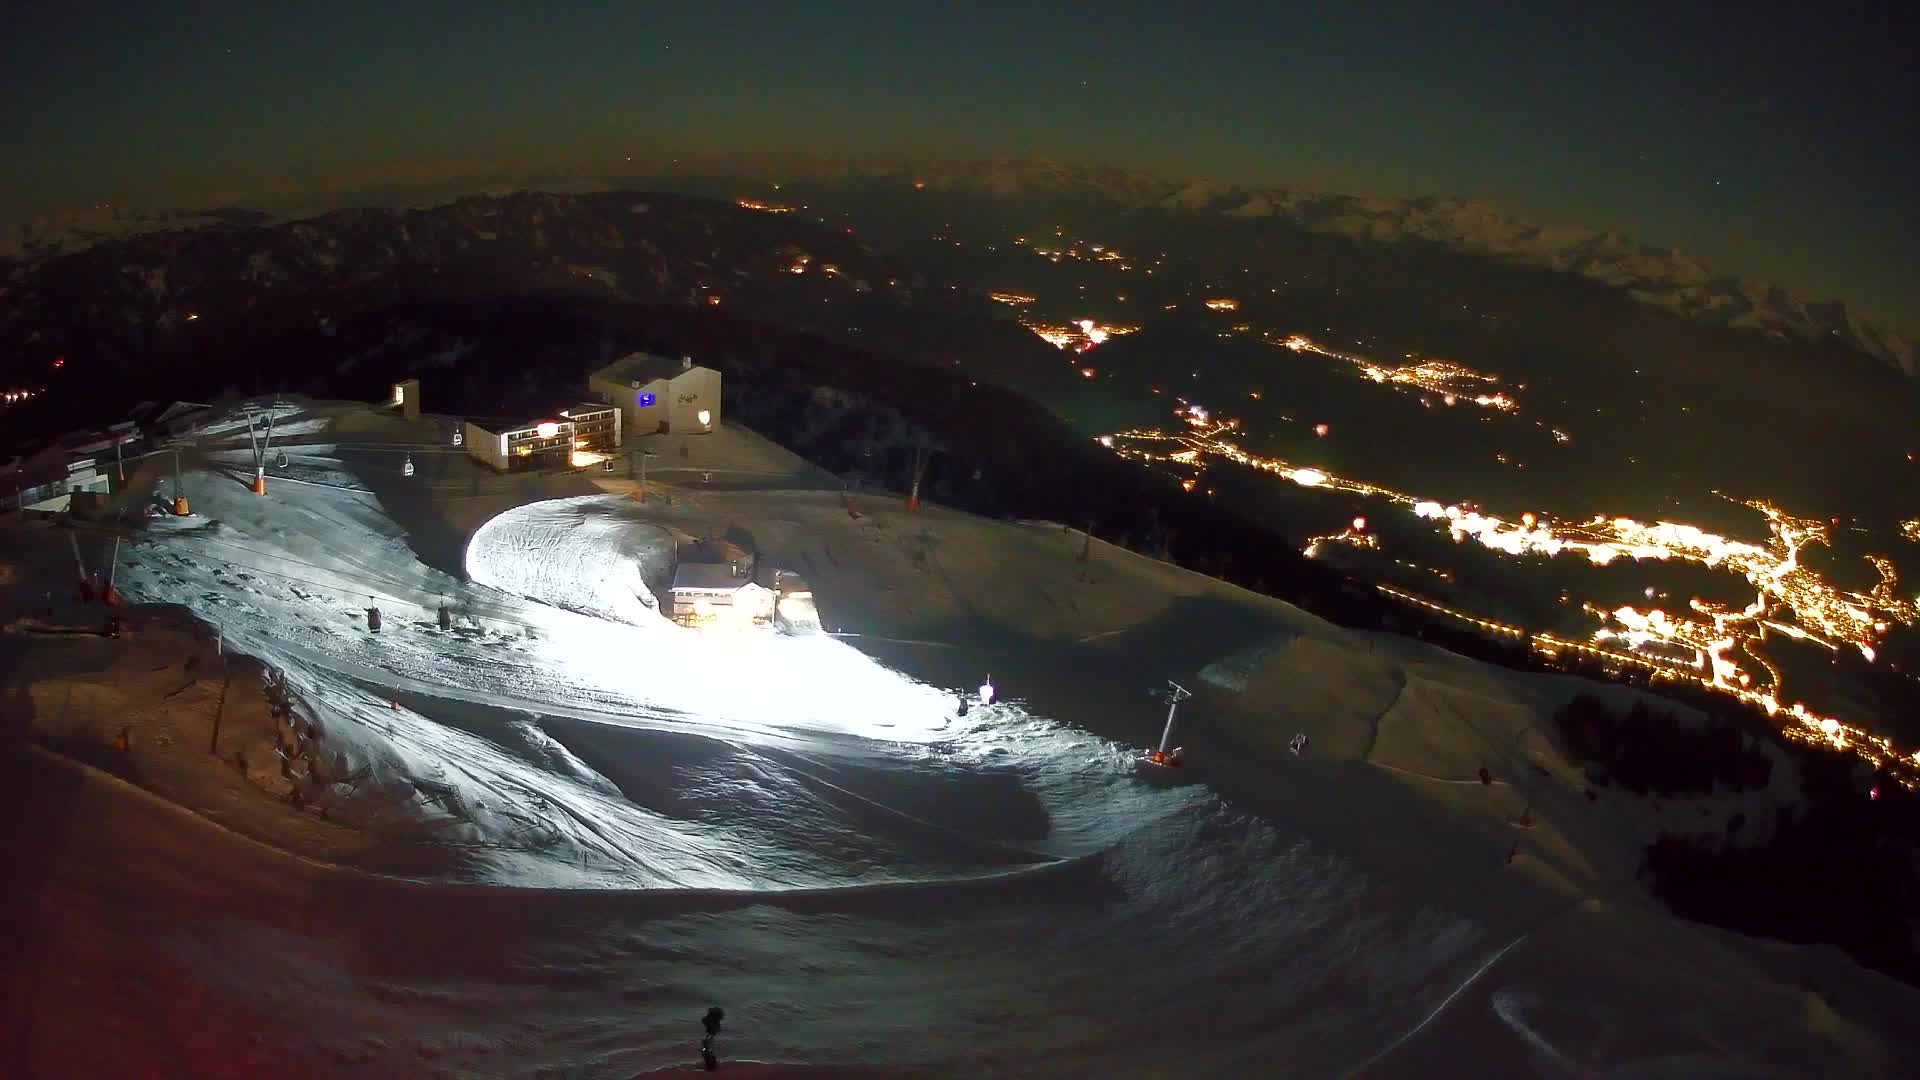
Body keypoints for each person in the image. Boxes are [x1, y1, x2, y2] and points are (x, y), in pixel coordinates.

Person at [700, 1006, 725, 1071]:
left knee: (706, 1049)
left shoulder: (710, 1022)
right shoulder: (715, 1023)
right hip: (709, 1036)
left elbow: (704, 1021)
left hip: (708, 1036)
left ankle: (710, 1065)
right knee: (708, 1049)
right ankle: (711, 1065)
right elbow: (716, 1030)